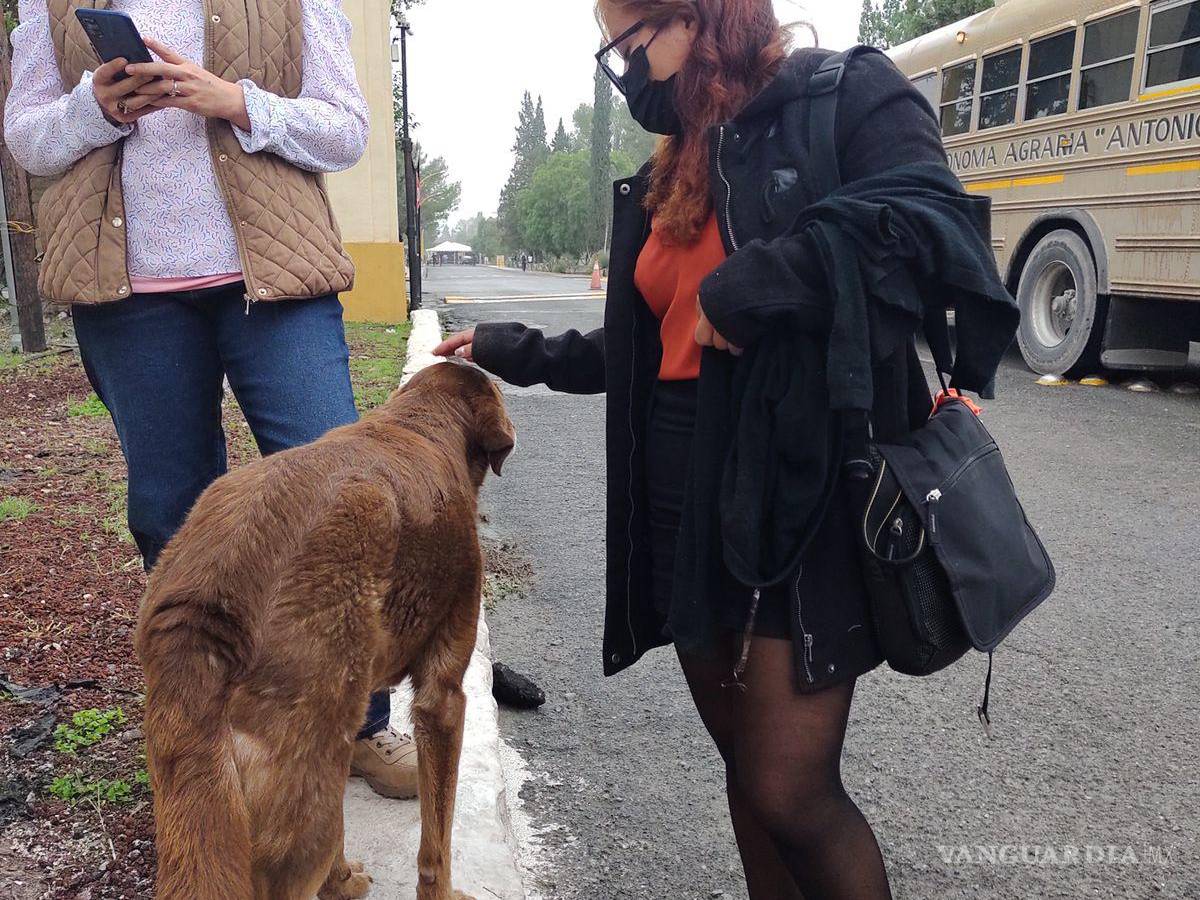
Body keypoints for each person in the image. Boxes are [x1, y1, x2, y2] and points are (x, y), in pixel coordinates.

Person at [436, 1, 977, 896]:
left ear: (703, 15)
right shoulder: (678, 161)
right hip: (679, 498)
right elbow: (652, 344)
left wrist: (760, 284)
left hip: (793, 485)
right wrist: (512, 348)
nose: (624, 71)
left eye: (630, 44)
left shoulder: (844, 95)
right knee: (743, 769)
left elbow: (933, 231)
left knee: (790, 788)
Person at [4, 0, 416, 800]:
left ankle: (361, 724)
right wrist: (93, 106)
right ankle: (214, 729)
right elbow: (25, 139)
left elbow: (345, 130)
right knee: (172, 513)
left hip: (278, 281)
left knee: (338, 506)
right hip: (127, 292)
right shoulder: (50, 4)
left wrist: (234, 100)